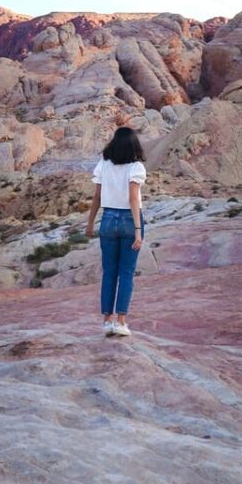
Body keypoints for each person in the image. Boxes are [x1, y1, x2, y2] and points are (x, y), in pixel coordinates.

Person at [86, 126, 147, 337]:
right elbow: (133, 198)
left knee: (109, 272)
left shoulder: (104, 164)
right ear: (134, 145)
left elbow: (96, 196)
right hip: (130, 220)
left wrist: (90, 223)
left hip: (108, 219)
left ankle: (106, 321)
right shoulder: (136, 167)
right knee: (126, 272)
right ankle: (121, 322)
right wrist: (138, 231)